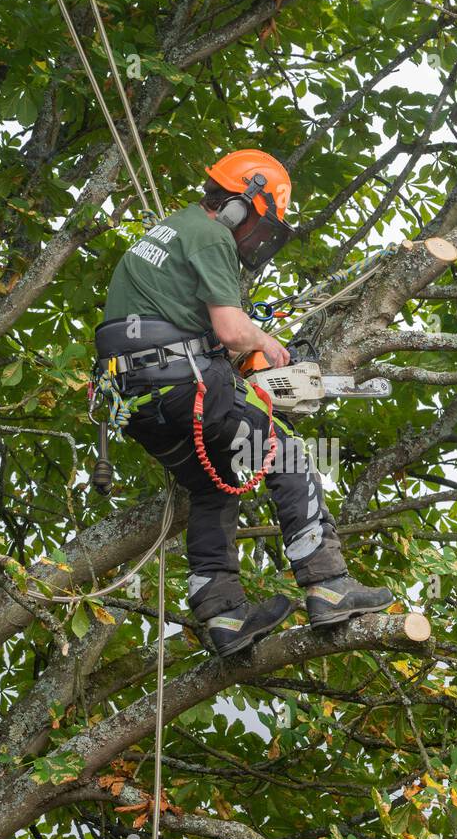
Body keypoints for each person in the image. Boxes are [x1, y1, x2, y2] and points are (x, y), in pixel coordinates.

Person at [98, 148, 392, 657]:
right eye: (260, 219)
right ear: (242, 204)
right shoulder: (211, 235)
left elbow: (174, 325)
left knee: (218, 486)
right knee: (287, 453)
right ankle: (328, 584)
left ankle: (223, 615)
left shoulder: (172, 229)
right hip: (181, 383)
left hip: (138, 405)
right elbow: (232, 330)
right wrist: (265, 345)